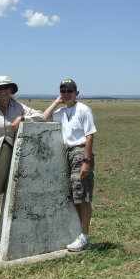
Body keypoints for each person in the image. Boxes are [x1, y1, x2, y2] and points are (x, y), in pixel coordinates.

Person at [0, 76, 45, 254]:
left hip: (6, 152)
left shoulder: (19, 107)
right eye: (0, 88)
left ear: (12, 89)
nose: (4, 90)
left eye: (7, 87)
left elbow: (41, 116)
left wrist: (22, 118)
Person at [44, 79, 97, 251]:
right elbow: (45, 118)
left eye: (69, 91)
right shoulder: (62, 111)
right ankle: (76, 233)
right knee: (74, 194)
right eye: (63, 90)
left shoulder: (83, 110)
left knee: (82, 195)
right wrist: (56, 101)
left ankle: (84, 236)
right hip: (67, 154)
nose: (66, 93)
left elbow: (89, 136)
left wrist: (86, 162)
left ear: (76, 93)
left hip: (80, 153)